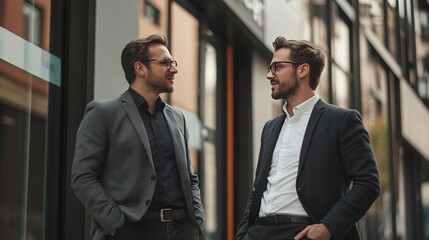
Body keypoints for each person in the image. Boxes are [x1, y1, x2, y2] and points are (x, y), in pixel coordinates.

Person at [235, 36, 380, 240]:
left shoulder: (341, 121)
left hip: (304, 233)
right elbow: (259, 188)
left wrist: (328, 227)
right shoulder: (270, 128)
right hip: (259, 232)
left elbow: (368, 183)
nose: (269, 74)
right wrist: (243, 233)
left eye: (277, 67)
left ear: (302, 70)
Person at [71, 34, 204, 240]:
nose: (174, 69)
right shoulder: (102, 113)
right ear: (140, 68)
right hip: (133, 231)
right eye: (166, 63)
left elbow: (190, 178)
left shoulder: (177, 118)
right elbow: (83, 177)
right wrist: (116, 224)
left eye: (173, 63)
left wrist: (197, 220)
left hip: (182, 231)